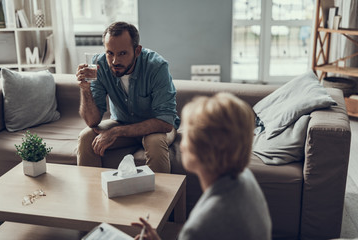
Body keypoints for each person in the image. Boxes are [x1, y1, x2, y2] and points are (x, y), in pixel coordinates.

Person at [132, 92, 272, 240]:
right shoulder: (245, 178)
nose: (182, 145)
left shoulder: (199, 228)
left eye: (187, 136)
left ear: (202, 150)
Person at [76, 22, 180, 173]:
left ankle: (159, 197)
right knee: (86, 137)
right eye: (110, 53)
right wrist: (85, 89)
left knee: (155, 144)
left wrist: (116, 132)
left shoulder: (157, 67)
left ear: (137, 51)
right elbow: (92, 121)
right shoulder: (100, 65)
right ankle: (93, 194)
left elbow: (165, 122)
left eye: (122, 53)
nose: (115, 61)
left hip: (156, 127)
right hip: (121, 121)